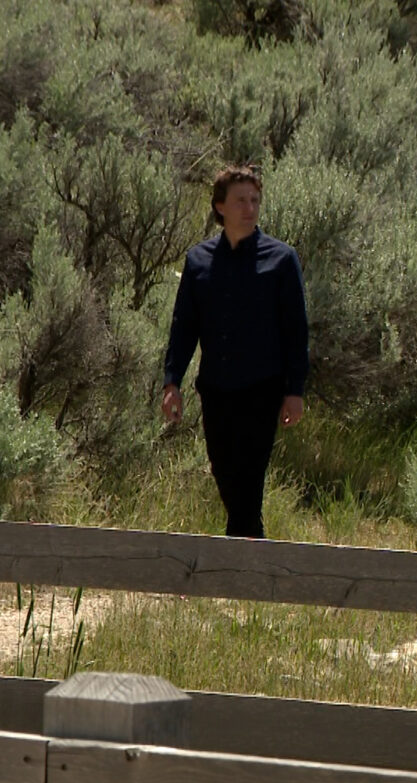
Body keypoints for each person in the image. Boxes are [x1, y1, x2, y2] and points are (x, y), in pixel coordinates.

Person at [161, 165, 309, 538]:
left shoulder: (281, 259)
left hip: (263, 387)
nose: (250, 207)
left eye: (255, 200)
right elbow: (184, 326)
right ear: (220, 206)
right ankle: (248, 551)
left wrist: (294, 391)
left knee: (250, 476)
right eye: (241, 200)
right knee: (224, 472)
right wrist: (172, 381)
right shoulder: (199, 261)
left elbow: (296, 330)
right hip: (216, 387)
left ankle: (243, 562)